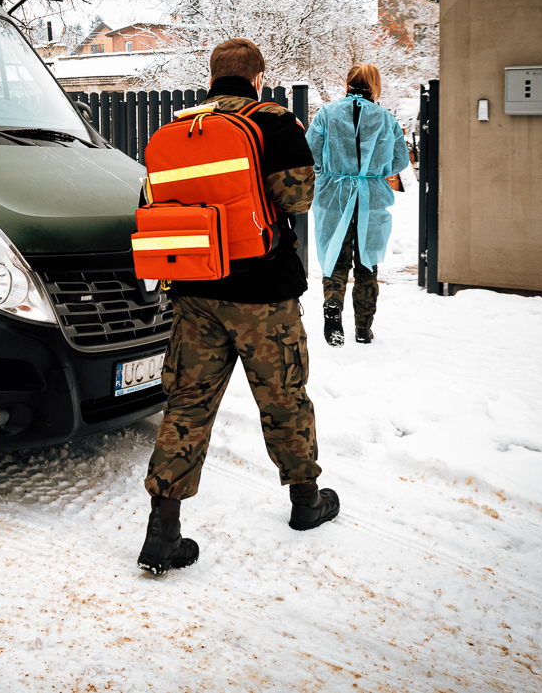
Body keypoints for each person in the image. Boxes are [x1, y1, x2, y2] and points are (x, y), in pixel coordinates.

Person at [138, 38, 339, 576]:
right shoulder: (275, 123)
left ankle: (162, 532)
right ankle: (305, 503)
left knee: (186, 406)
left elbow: (152, 206)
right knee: (283, 398)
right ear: (258, 77)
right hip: (265, 295)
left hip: (195, 291)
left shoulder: (178, 131)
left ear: (211, 77)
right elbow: (296, 200)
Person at [306, 64, 410, 348]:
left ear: (347, 83)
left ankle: (332, 304)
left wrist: (329, 169)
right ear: (375, 85)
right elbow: (400, 160)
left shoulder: (327, 114)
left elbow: (310, 151)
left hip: (333, 196)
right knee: (367, 263)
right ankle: (364, 329)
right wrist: (376, 168)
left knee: (336, 258)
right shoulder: (386, 119)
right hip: (371, 197)